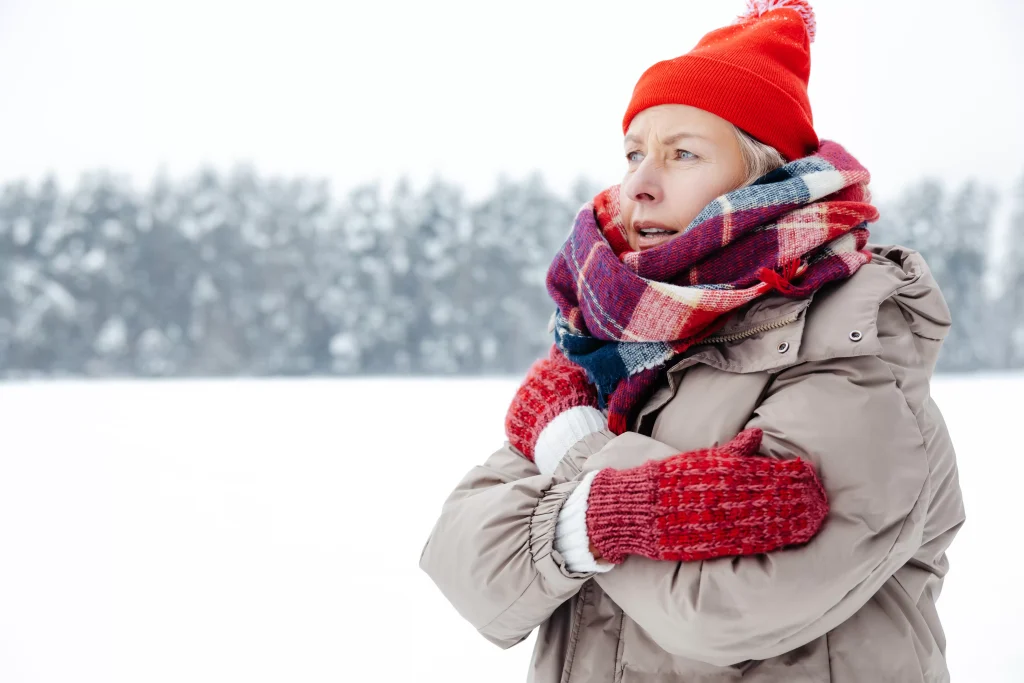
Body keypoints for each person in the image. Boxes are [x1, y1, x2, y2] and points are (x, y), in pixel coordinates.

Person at [419, 1, 966, 681]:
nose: (639, 185)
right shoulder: (606, 342)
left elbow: (725, 610)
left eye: (682, 153)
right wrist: (595, 519)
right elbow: (462, 562)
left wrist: (573, 453)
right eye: (634, 153)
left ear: (765, 177)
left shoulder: (854, 348)